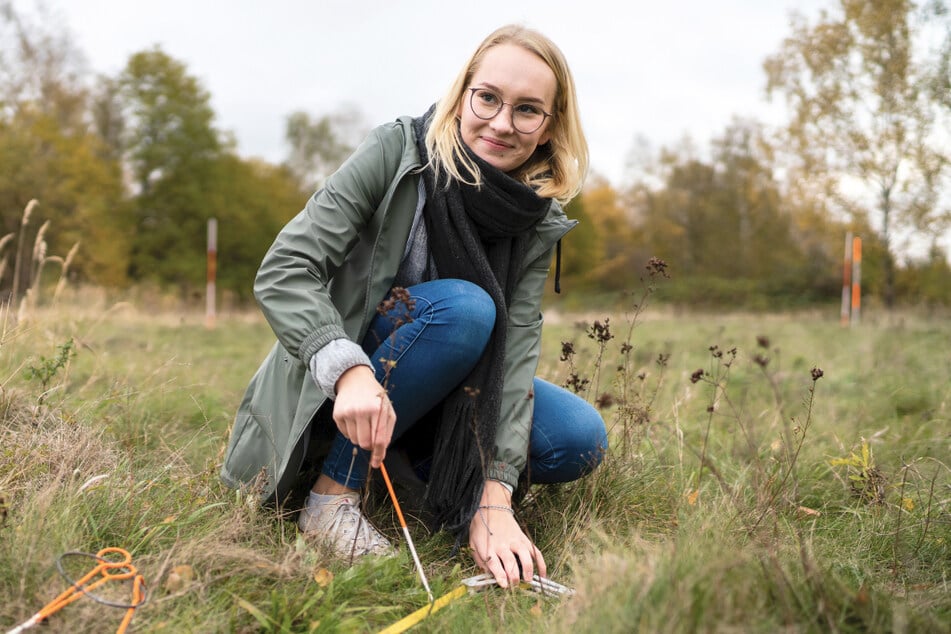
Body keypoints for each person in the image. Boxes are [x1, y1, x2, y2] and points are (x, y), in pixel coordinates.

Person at [220, 23, 608, 589]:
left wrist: (495, 496)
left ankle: (409, 483)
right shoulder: (396, 151)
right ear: (463, 93)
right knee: (466, 309)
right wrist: (347, 367)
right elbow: (286, 268)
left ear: (550, 127)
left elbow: (518, 349)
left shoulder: (534, 217)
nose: (501, 123)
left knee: (577, 436)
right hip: (344, 382)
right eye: (489, 98)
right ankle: (331, 498)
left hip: (442, 392)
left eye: (528, 110)